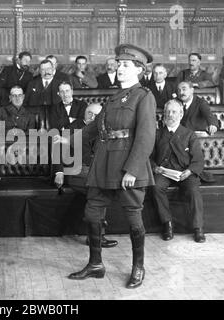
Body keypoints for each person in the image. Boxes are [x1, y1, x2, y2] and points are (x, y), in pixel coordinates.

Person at [54, 44, 156, 289]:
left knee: (133, 218)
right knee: (92, 213)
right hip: (104, 164)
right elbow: (93, 129)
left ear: (139, 70)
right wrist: (69, 138)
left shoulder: (144, 96)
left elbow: (146, 136)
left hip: (127, 167)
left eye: (126, 65)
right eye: (119, 64)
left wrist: (132, 169)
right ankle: (96, 264)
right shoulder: (112, 99)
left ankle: (138, 267)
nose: (120, 68)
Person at [54, 103, 118, 248]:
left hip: (95, 171)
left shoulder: (103, 129)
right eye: (90, 113)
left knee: (98, 189)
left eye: (97, 115)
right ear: (84, 113)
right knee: (99, 189)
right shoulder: (72, 128)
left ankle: (95, 235)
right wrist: (59, 172)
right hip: (75, 170)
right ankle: (97, 235)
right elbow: (57, 149)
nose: (93, 117)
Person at [150, 99, 206, 243]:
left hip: (185, 172)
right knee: (156, 187)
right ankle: (167, 224)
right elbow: (148, 157)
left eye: (174, 112)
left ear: (181, 115)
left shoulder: (189, 134)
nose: (170, 114)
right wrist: (155, 167)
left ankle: (198, 228)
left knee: (194, 190)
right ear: (163, 115)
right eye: (168, 112)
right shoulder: (157, 134)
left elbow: (198, 159)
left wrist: (189, 171)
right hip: (164, 173)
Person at [24, 59, 64, 128]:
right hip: (35, 122)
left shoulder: (61, 84)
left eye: (48, 69)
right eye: (43, 70)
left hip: (56, 121)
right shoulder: (32, 84)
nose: (46, 72)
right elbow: (25, 103)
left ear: (53, 69)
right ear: (39, 71)